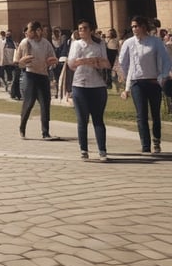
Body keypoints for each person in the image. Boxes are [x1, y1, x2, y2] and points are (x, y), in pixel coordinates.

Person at [118, 15, 172, 154]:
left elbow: (166, 60)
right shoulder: (129, 43)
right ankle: (145, 145)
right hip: (137, 82)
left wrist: (162, 76)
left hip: (153, 81)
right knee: (141, 114)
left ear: (143, 27)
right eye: (132, 27)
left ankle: (157, 140)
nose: (134, 29)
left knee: (155, 114)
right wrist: (126, 79)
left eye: (136, 26)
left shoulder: (155, 42)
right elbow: (123, 62)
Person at [67, 20, 111, 161]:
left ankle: (102, 151)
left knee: (98, 119)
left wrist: (95, 61)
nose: (82, 31)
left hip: (97, 85)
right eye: (80, 29)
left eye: (85, 28)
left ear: (91, 30)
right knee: (82, 119)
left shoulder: (100, 44)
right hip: (80, 84)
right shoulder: (75, 44)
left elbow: (106, 63)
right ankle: (84, 149)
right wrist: (83, 61)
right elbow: (71, 64)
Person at [14, 21, 59, 140]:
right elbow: (17, 60)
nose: (30, 33)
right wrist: (21, 62)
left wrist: (52, 62)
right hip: (30, 75)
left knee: (45, 104)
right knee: (28, 103)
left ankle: (45, 132)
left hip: (43, 75)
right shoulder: (25, 42)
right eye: (30, 31)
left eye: (36, 30)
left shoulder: (46, 43)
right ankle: (22, 128)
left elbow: (52, 57)